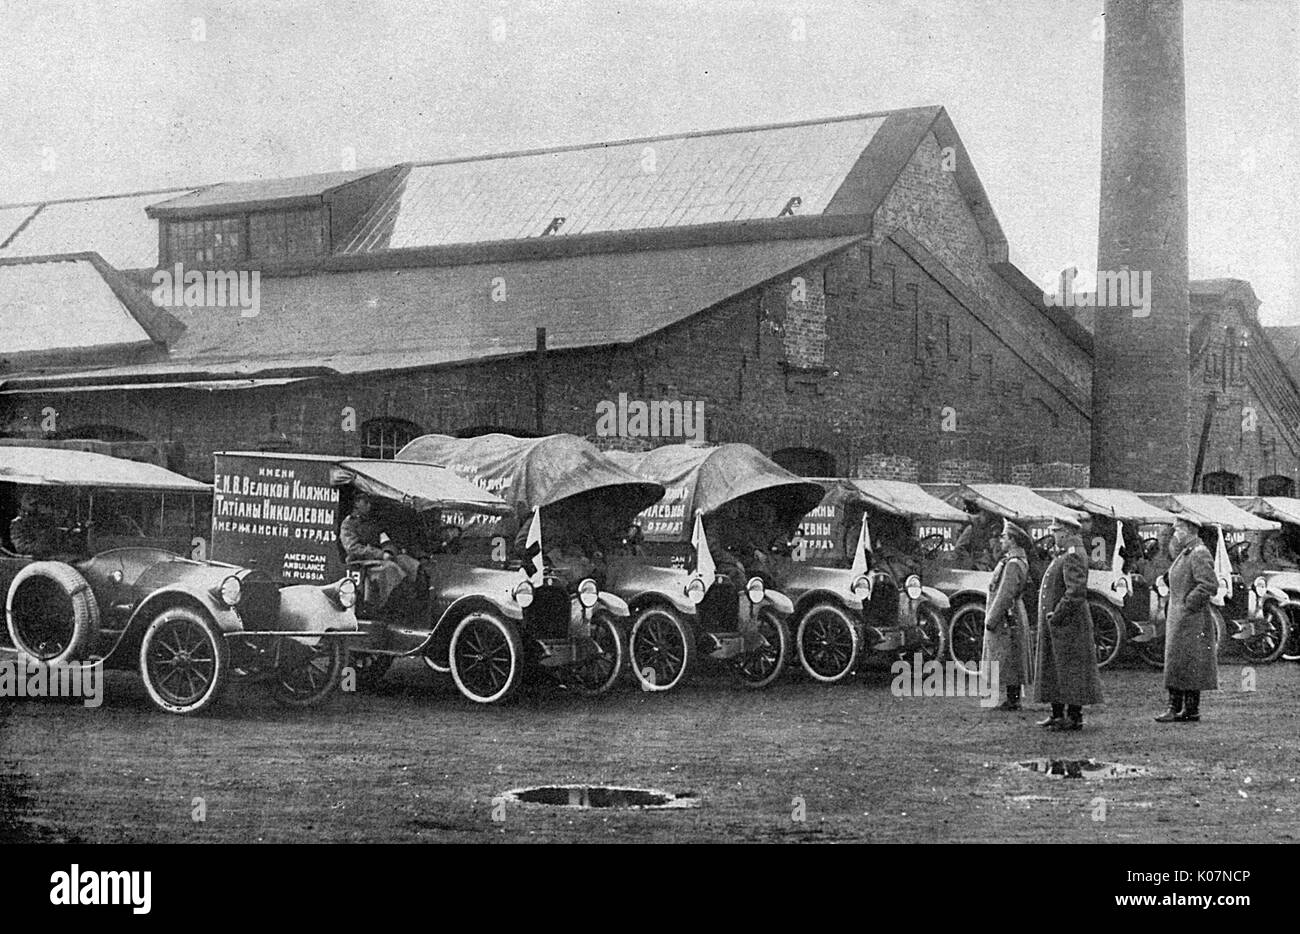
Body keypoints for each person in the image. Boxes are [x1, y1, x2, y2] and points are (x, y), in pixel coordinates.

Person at [1033, 513, 1104, 731]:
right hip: (1060, 623)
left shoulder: (1073, 554)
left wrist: (1058, 615)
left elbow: (1075, 592)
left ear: (1066, 532)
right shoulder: (1066, 553)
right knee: (1056, 668)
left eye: (1056, 532)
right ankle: (1057, 714)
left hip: (1067, 623)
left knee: (1070, 670)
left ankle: (1073, 716)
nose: (1053, 535)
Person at [1155, 515, 1219, 723]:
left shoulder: (1198, 552)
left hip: (1190, 619)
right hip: (1183, 618)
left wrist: (1187, 605)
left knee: (1186, 662)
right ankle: (1187, 709)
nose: (1175, 534)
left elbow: (1208, 584)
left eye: (1178, 530)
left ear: (1189, 530)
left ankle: (1179, 708)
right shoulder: (1187, 552)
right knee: (1182, 662)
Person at [339, 492, 422, 609]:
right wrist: (380, 554)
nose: (369, 506)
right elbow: (353, 548)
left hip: (379, 559)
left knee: (407, 562)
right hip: (360, 561)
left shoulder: (372, 522)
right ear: (357, 504)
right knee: (390, 568)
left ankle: (412, 596)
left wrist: (388, 551)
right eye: (365, 503)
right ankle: (387, 604)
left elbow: (385, 539)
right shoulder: (348, 524)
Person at [983, 519, 1033, 711]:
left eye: (1004, 537)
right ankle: (1013, 698)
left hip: (1008, 616)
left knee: (1009, 655)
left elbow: (1005, 594)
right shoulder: (1016, 561)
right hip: (1013, 613)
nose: (1001, 540)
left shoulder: (1012, 564)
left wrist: (991, 619)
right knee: (1012, 654)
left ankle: (1013, 700)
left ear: (1012, 540)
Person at [9, 488, 69, 558]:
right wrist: (42, 546)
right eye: (33, 505)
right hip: (31, 559)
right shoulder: (18, 524)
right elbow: (21, 547)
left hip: (51, 556)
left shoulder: (45, 521)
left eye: (38, 504)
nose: (38, 508)